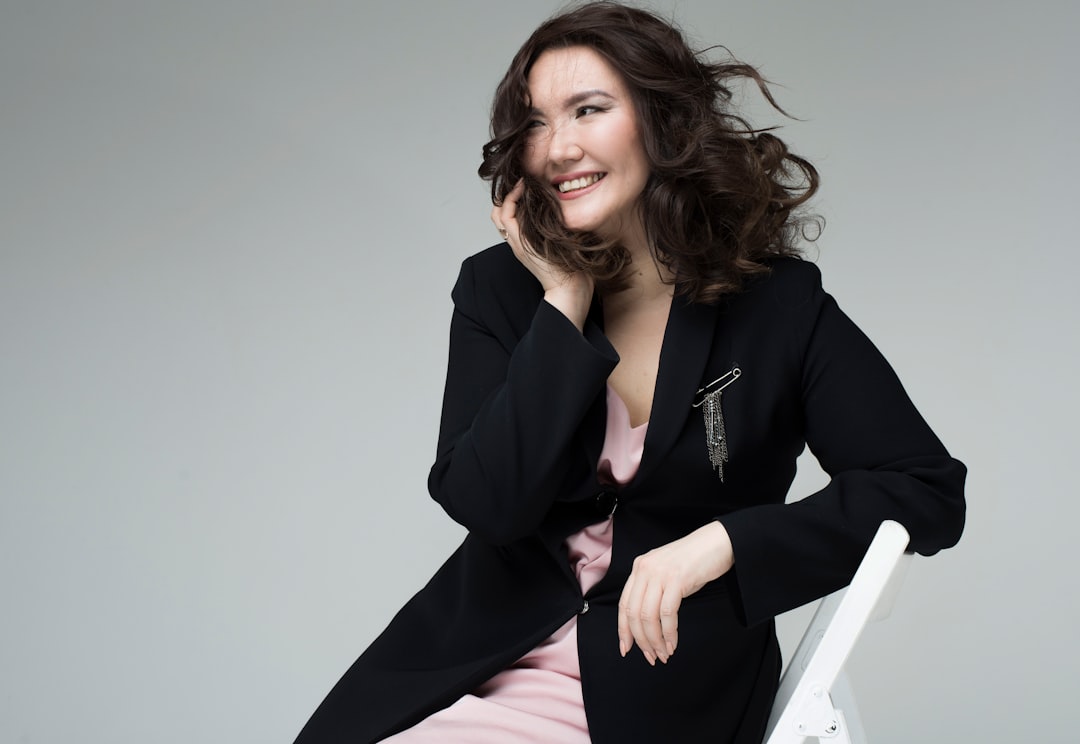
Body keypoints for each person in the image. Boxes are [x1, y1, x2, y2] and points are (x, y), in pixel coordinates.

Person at [294, 2, 966, 742]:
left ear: (661, 121)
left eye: (588, 110)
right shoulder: (498, 290)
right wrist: (563, 303)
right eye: (536, 124)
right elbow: (489, 505)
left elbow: (924, 489)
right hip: (474, 666)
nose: (558, 148)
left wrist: (724, 544)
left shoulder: (776, 306)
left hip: (659, 691)